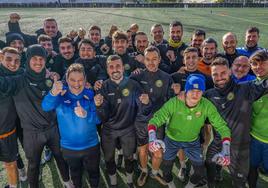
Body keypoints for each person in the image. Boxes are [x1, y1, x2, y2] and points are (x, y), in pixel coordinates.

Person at [0, 44, 72, 188]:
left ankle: (67, 182)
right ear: (27, 60)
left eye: (41, 58)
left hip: (52, 129)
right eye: (34, 58)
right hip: (31, 133)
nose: (38, 62)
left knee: (61, 157)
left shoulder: (50, 79)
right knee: (33, 165)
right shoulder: (18, 80)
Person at [148, 74, 231, 188]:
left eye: (199, 91)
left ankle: (189, 186)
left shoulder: (206, 105)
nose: (195, 94)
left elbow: (222, 127)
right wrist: (152, 137)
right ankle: (171, 184)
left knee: (199, 172)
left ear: (203, 92)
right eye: (192, 90)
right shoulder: (174, 102)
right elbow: (155, 120)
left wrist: (226, 149)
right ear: (186, 90)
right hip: (171, 140)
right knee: (166, 169)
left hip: (192, 141)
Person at [204, 57, 268, 188]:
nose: (219, 77)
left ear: (230, 72)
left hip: (240, 147)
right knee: (209, 163)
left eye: (223, 73)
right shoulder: (208, 95)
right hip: (218, 142)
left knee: (238, 181)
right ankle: (213, 180)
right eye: (215, 74)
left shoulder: (247, 89)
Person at [95, 55, 150, 188]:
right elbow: (103, 118)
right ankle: (113, 182)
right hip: (108, 130)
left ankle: (129, 181)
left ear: (123, 67)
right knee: (108, 158)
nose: (115, 69)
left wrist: (146, 103)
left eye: (118, 66)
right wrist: (99, 106)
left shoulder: (133, 85)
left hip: (128, 130)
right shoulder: (103, 87)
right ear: (107, 69)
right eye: (111, 67)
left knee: (129, 157)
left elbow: (143, 110)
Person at [42, 63, 101, 188]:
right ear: (67, 79)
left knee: (94, 174)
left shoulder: (90, 94)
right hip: (69, 148)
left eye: (80, 80)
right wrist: (53, 92)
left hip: (91, 146)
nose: (76, 84)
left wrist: (87, 114)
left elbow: (98, 120)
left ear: (85, 79)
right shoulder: (60, 95)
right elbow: (45, 106)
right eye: (73, 80)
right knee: (75, 175)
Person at [130, 46, 174, 186]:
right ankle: (144, 170)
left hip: (158, 123)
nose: (151, 62)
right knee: (142, 150)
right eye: (148, 59)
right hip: (141, 122)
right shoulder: (136, 76)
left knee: (158, 153)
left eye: (154, 59)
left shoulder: (167, 78)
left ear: (160, 60)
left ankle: (154, 172)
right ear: (144, 60)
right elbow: (128, 96)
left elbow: (171, 102)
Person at [0, 47, 24, 188]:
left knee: (10, 162)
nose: (13, 63)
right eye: (9, 59)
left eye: (17, 60)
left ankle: (14, 184)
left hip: (6, 129)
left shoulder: (21, 73)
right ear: (1, 57)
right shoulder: (21, 76)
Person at [248, 50, 268, 188]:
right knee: (252, 168)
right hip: (254, 137)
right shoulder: (253, 84)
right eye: (254, 64)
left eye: (263, 63)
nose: (258, 67)